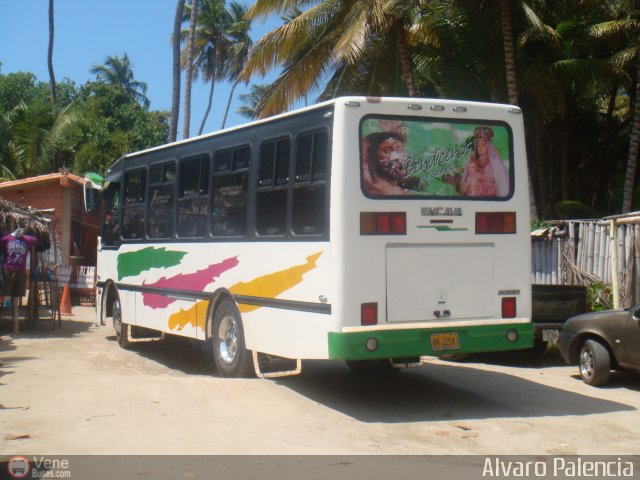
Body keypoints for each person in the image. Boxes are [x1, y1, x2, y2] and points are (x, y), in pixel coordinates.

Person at [1, 228, 38, 335]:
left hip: (20, 271)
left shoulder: (26, 240)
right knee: (5, 293)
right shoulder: (7, 239)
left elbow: (35, 241)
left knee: (17, 296)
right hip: (7, 270)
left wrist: (27, 235)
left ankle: (15, 328)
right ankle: (7, 303)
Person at [460, 126, 510, 197]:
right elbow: (464, 182)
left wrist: (483, 189)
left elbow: (500, 186)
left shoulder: (495, 162)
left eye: (483, 145)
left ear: (488, 145)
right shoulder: (472, 161)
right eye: (478, 145)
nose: (480, 148)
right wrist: (465, 187)